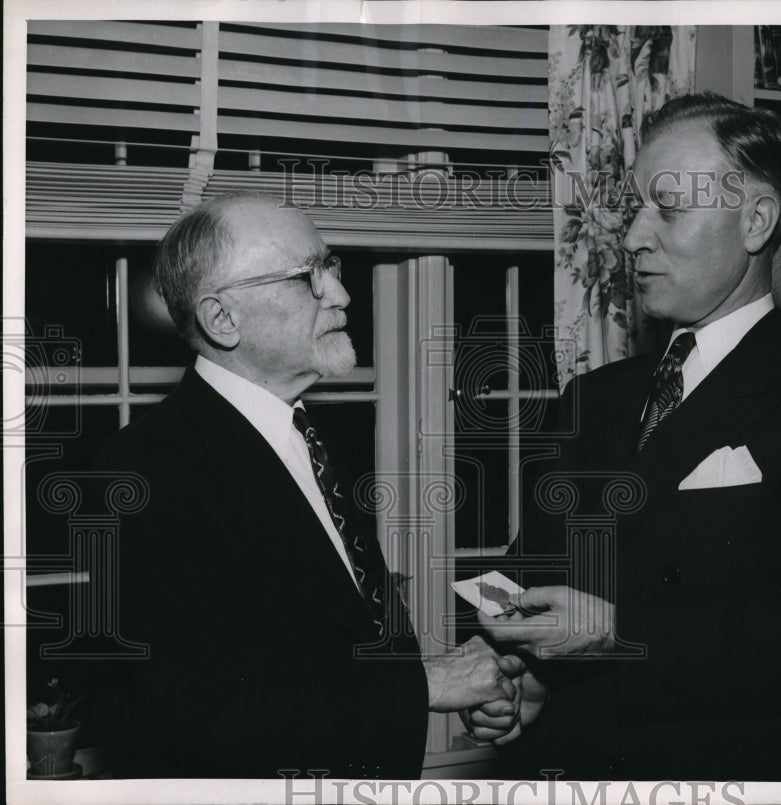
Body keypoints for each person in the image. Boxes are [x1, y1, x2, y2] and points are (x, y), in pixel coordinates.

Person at [472, 92, 781, 781]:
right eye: (635, 209)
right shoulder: (594, 397)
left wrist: (622, 631)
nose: (633, 237)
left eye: (669, 210)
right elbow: (534, 571)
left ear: (756, 221)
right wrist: (516, 677)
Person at [93, 193, 519, 778]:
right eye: (307, 277)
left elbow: (330, 637)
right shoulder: (143, 470)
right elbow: (204, 711)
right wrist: (422, 685)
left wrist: (451, 680)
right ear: (222, 320)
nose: (341, 295)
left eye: (332, 267)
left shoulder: (305, 437)